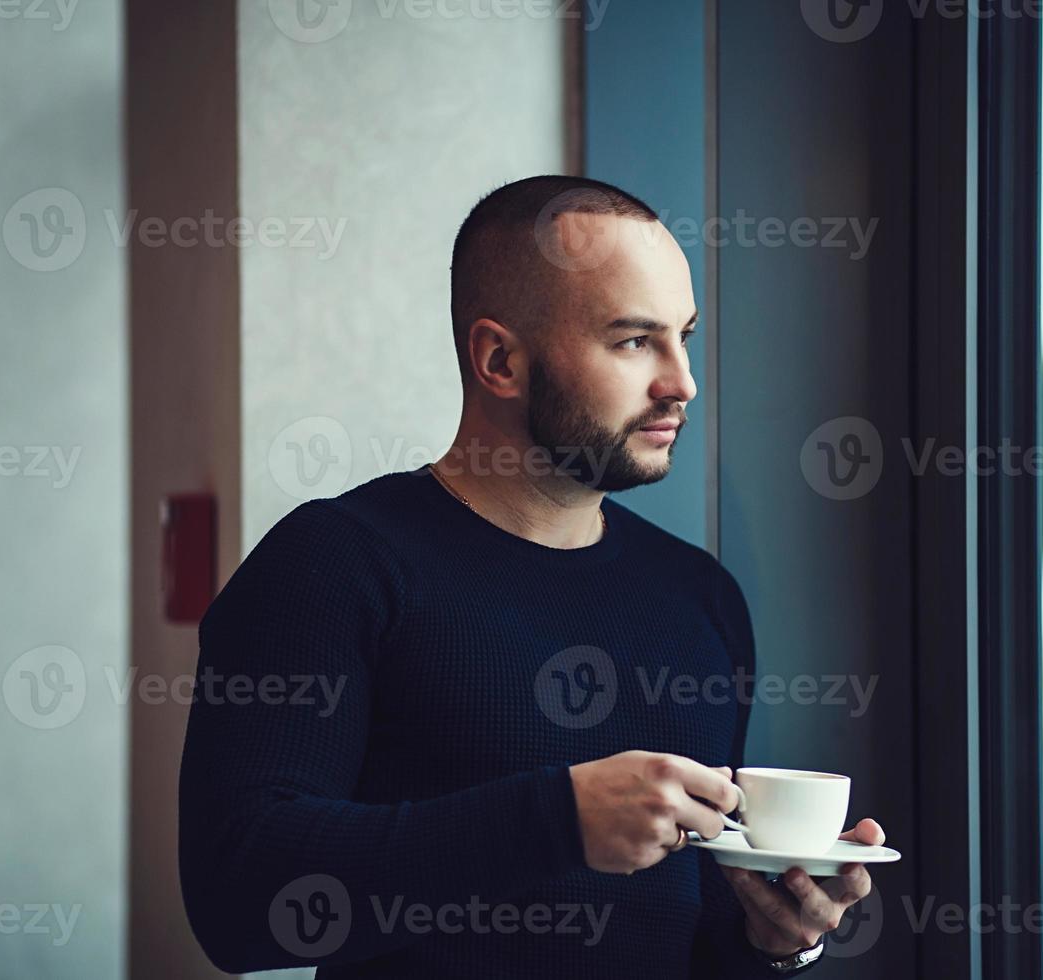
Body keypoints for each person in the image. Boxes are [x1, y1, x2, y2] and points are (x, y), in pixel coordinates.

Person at [177, 175, 883, 977]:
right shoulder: (333, 565)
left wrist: (773, 940)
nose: (681, 382)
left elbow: (686, 933)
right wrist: (559, 820)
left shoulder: (703, 600)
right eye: (632, 341)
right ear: (500, 359)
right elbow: (234, 901)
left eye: (684, 336)